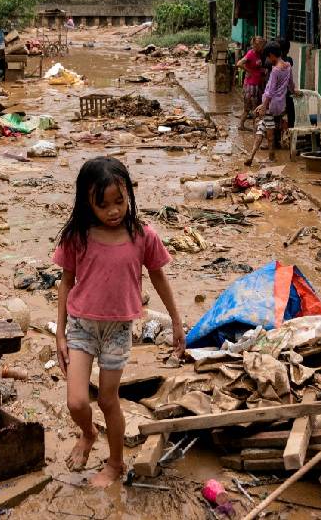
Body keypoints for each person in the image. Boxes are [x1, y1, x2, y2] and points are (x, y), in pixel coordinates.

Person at [54, 156, 184, 488]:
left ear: (129, 196)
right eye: (104, 205)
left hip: (118, 330)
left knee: (109, 400)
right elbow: (66, 283)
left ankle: (114, 463)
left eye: (119, 201)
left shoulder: (143, 236)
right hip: (82, 327)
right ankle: (88, 432)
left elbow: (159, 279)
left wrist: (177, 321)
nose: (113, 210)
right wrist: (60, 335)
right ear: (87, 203)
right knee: (77, 401)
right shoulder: (78, 236)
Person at [245, 41, 291, 166]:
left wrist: (264, 106)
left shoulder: (275, 70)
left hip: (271, 104)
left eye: (267, 57)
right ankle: (251, 155)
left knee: (269, 133)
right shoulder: (288, 66)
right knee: (261, 127)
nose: (267, 60)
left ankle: (271, 157)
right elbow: (291, 84)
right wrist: (295, 91)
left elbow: (270, 91)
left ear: (271, 55)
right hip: (280, 104)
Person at [236, 37, 267, 131]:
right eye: (262, 45)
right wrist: (248, 71)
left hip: (256, 84)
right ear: (257, 46)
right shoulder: (250, 54)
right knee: (252, 108)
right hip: (251, 85)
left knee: (253, 107)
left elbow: (257, 67)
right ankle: (252, 127)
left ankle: (247, 125)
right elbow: (239, 63)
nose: (263, 47)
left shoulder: (259, 54)